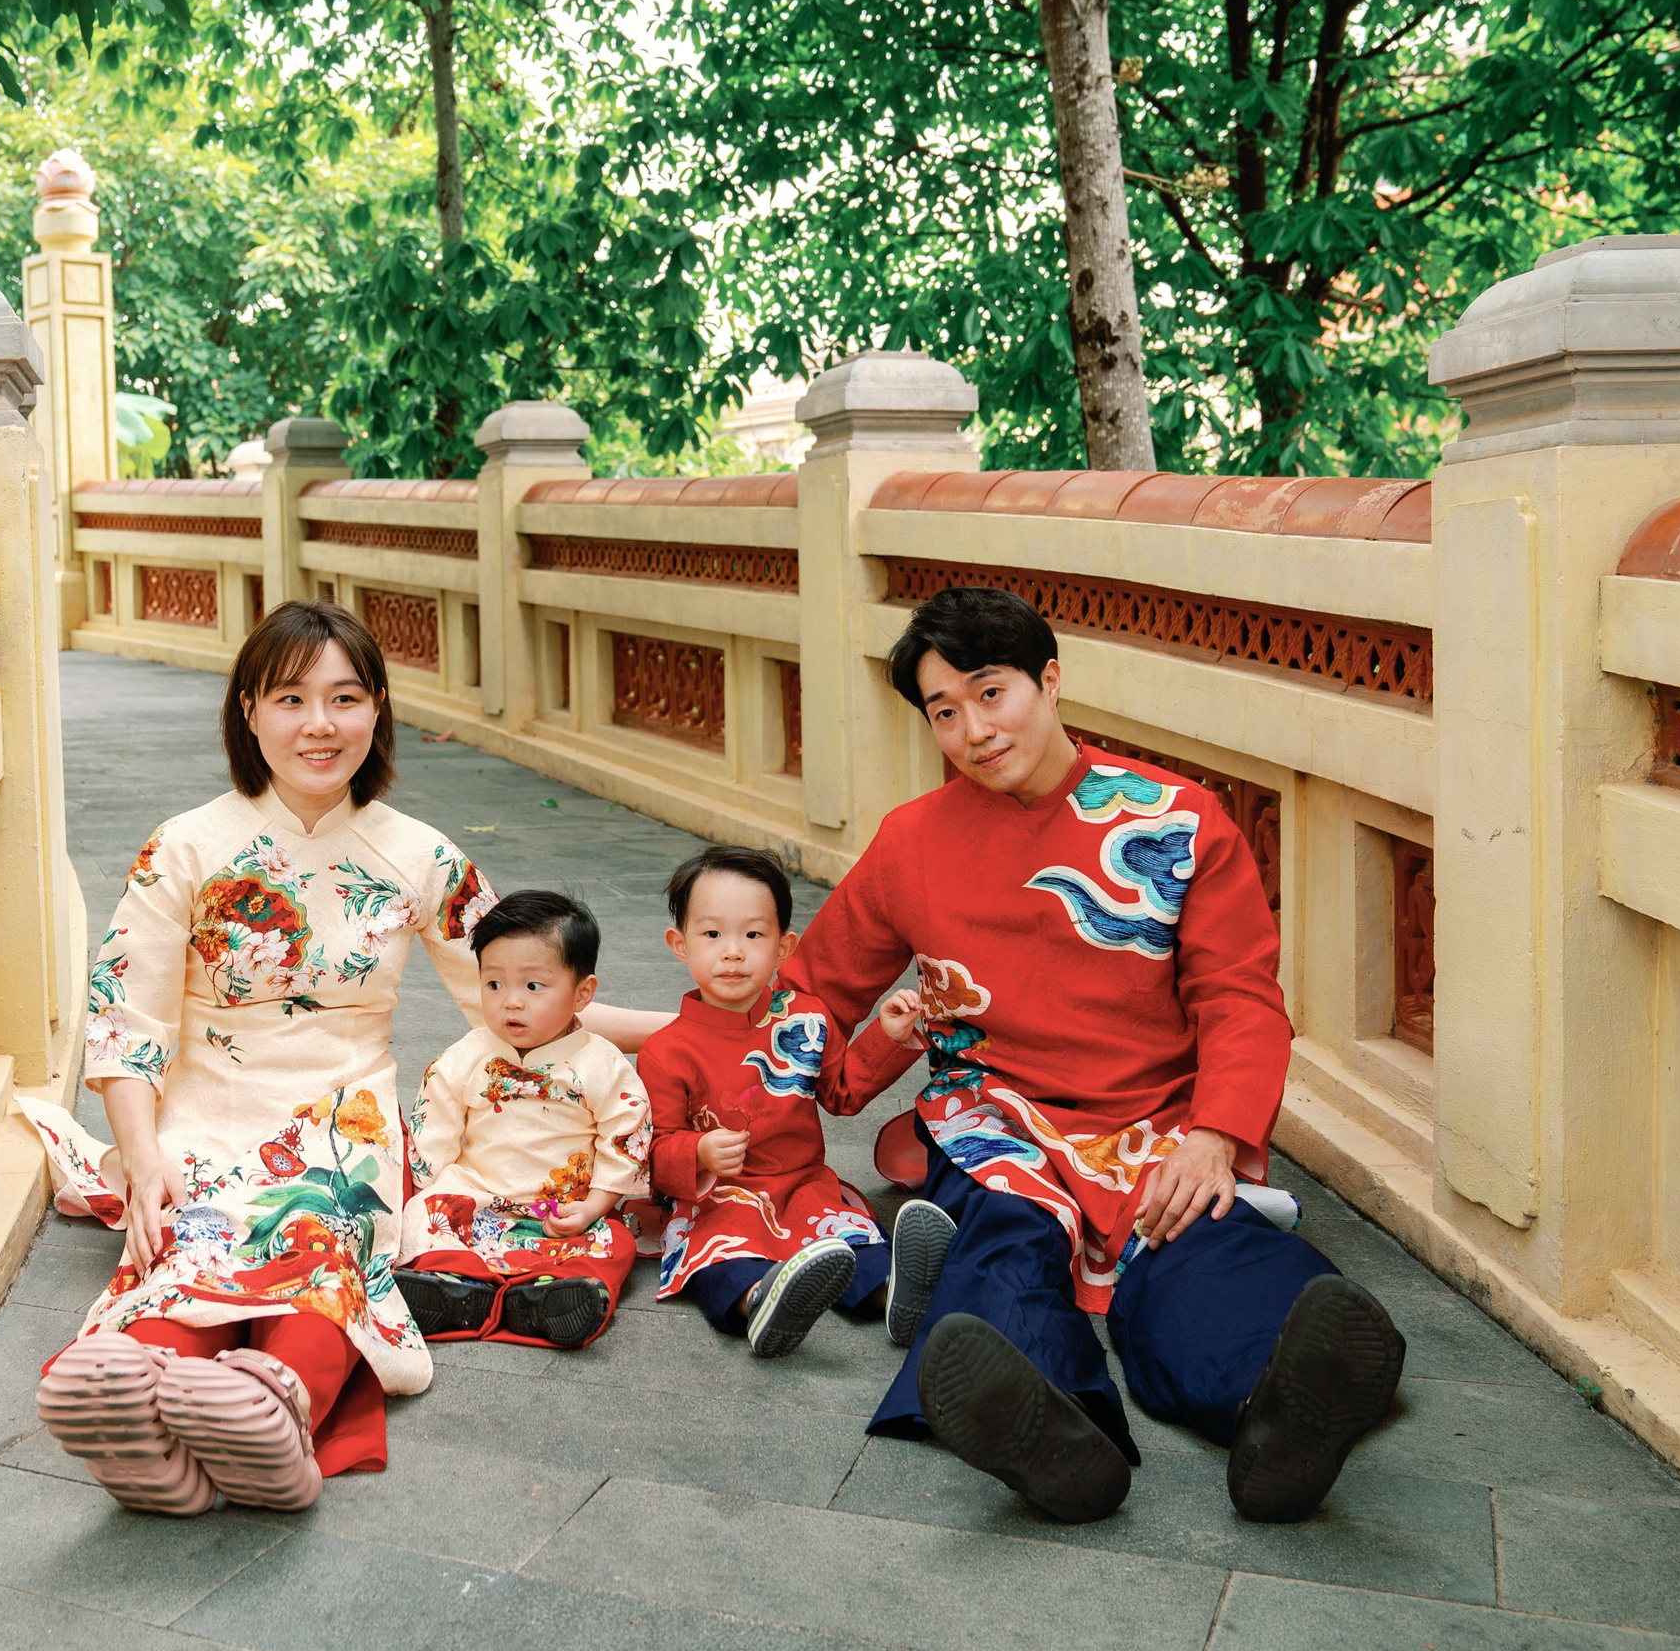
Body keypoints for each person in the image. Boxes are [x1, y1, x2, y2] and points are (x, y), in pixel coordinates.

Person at [779, 585, 1405, 1525]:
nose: (973, 730)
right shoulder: (910, 843)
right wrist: (744, 1098)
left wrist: (1216, 1132)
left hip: (1154, 1116)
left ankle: (1274, 1407)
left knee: (1198, 1233)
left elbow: (1237, 996)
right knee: (1001, 1235)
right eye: (944, 712)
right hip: (996, 1115)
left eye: (991, 693)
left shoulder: (1179, 821)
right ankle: (1057, 1431)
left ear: (1050, 678)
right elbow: (817, 987)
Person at [23, 601, 660, 1516]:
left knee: (325, 1236)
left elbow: (535, 980)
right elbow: (126, 1019)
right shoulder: (186, 844)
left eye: (344, 698)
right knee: (186, 1242)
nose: (319, 724)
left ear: (378, 709)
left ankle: (275, 1411)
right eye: (291, 698)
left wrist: (698, 1024)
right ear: (249, 710)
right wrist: (142, 1148)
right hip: (202, 1099)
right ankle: (138, 1405)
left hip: (343, 1104)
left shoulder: (419, 856)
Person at [637, 844, 955, 1358]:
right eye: (712, 934)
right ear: (680, 943)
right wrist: (696, 1152)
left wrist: (888, 1035)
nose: (733, 951)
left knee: (847, 1236)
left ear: (784, 948)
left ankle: (895, 1292)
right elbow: (655, 1146)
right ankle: (762, 1302)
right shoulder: (665, 1051)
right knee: (723, 1257)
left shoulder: (806, 1020)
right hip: (721, 1196)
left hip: (804, 1183)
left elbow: (843, 1094)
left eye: (753, 934)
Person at [391, 891, 652, 1349]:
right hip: (478, 1195)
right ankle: (455, 1285)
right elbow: (436, 1120)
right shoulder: (469, 1055)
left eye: (533, 987)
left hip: (563, 1209)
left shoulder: (601, 1065)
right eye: (493, 985)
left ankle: (549, 1299)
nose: (510, 1002)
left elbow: (625, 1136)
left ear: (582, 993)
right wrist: (433, 1184)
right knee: (427, 1215)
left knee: (613, 1242)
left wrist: (593, 1206)